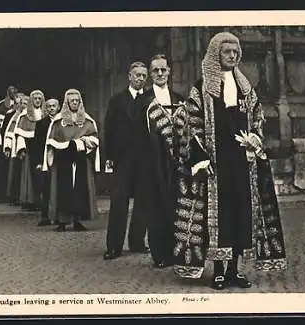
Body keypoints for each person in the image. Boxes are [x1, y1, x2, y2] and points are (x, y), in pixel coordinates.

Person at [173, 32, 287, 290]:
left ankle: (235, 269)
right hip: (216, 162)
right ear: (216, 54)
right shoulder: (201, 88)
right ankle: (219, 272)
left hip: (242, 162)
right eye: (227, 52)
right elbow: (192, 123)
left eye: (236, 53)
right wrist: (200, 158)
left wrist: (255, 139)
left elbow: (258, 117)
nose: (233, 56)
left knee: (241, 215)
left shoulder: (246, 87)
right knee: (217, 217)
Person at [134, 54, 186, 268]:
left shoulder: (179, 98)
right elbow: (137, 136)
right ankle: (160, 254)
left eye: (163, 70)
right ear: (150, 74)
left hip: (176, 162)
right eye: (155, 71)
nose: (160, 74)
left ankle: (177, 251)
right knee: (156, 208)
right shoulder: (143, 101)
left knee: (176, 206)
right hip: (152, 162)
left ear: (169, 71)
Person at [103, 61, 149, 260]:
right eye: (137, 75)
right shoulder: (117, 100)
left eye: (143, 75)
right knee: (119, 202)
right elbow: (109, 129)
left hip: (145, 159)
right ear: (129, 76)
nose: (140, 78)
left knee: (143, 202)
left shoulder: (151, 99)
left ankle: (137, 242)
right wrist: (109, 158)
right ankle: (114, 246)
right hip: (123, 159)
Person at [42, 89, 100, 232]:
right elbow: (51, 141)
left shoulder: (87, 120)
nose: (75, 103)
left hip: (80, 160)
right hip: (63, 160)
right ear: (66, 103)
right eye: (72, 101)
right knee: (63, 189)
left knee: (80, 190)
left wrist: (83, 141)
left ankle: (77, 221)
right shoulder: (58, 121)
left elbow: (94, 138)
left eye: (77, 101)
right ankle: (62, 221)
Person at [16, 90, 45, 211]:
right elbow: (20, 134)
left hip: (42, 148)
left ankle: (43, 201)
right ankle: (30, 201)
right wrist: (21, 149)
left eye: (39, 98)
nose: (37, 101)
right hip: (30, 148)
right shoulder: (24, 116)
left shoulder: (45, 115)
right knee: (30, 176)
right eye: (35, 98)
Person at [33, 98, 61, 226]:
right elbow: (37, 144)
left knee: (60, 188)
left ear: (59, 107)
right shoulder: (41, 123)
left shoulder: (63, 122)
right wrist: (39, 161)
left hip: (60, 159)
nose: (51, 108)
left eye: (53, 106)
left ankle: (59, 216)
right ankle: (45, 216)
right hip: (45, 159)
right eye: (49, 106)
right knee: (46, 188)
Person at [2, 92, 26, 205]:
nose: (22, 105)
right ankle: (15, 197)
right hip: (15, 149)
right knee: (15, 174)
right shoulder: (14, 116)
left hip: (29, 150)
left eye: (25, 103)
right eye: (20, 103)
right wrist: (7, 147)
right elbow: (9, 132)